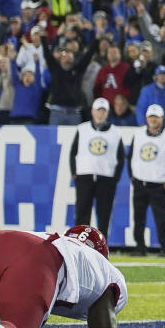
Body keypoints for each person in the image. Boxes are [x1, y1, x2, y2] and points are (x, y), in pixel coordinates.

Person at [128, 104, 165, 255]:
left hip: (158, 184)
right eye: (151, 117)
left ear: (162, 119)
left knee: (162, 217)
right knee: (138, 218)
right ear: (146, 118)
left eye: (156, 117)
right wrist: (132, 175)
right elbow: (131, 156)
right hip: (140, 182)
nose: (153, 120)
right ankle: (139, 247)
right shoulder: (138, 134)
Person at [70, 98, 126, 234]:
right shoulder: (82, 129)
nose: (100, 114)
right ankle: (79, 242)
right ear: (92, 112)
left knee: (104, 213)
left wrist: (115, 178)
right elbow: (73, 153)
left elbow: (121, 157)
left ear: (107, 113)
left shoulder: (115, 132)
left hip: (106, 178)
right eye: (98, 111)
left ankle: (102, 244)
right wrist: (75, 173)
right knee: (82, 211)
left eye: (103, 111)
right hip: (85, 176)